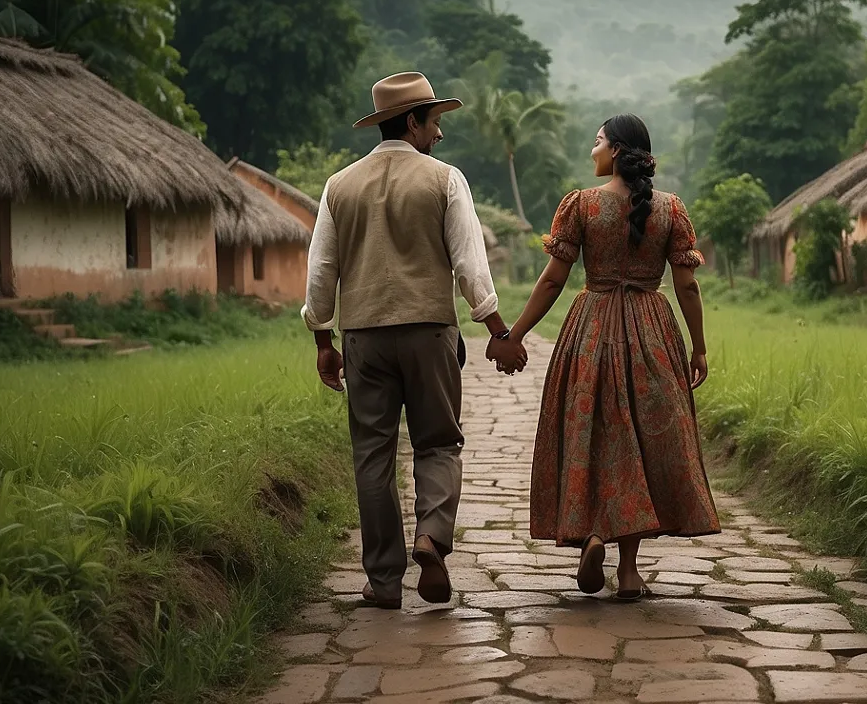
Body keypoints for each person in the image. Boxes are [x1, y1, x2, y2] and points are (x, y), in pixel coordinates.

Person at [302, 71, 527, 611]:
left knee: (372, 457)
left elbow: (320, 273)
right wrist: (498, 333)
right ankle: (431, 535)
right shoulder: (445, 180)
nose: (440, 134)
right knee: (438, 443)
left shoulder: (339, 186)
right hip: (429, 333)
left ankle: (383, 583)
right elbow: (471, 266)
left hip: (363, 340)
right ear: (412, 122)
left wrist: (322, 342)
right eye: (435, 122)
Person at [488, 113, 719, 601]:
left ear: (615, 150)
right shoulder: (671, 210)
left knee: (592, 432)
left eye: (596, 142)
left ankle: (593, 532)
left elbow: (552, 280)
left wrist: (514, 333)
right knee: (640, 439)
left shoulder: (582, 206)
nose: (590, 150)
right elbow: (687, 286)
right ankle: (629, 571)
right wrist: (697, 347)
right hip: (651, 332)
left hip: (591, 330)